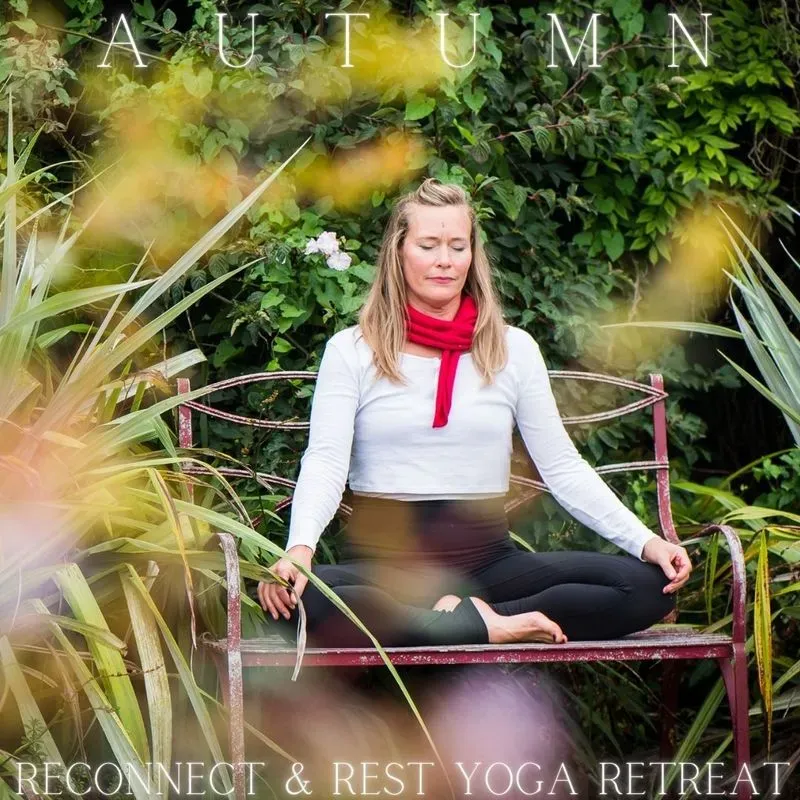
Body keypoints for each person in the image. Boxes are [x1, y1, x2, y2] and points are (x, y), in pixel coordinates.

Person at [256, 178, 691, 648]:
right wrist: (299, 550)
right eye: (428, 245)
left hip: (489, 567)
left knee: (648, 587)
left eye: (457, 246)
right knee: (293, 601)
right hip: (385, 569)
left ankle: (472, 618)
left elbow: (562, 467)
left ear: (472, 255)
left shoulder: (513, 349)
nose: (444, 260)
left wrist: (646, 542)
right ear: (398, 253)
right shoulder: (353, 350)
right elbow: (325, 460)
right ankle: (491, 627)